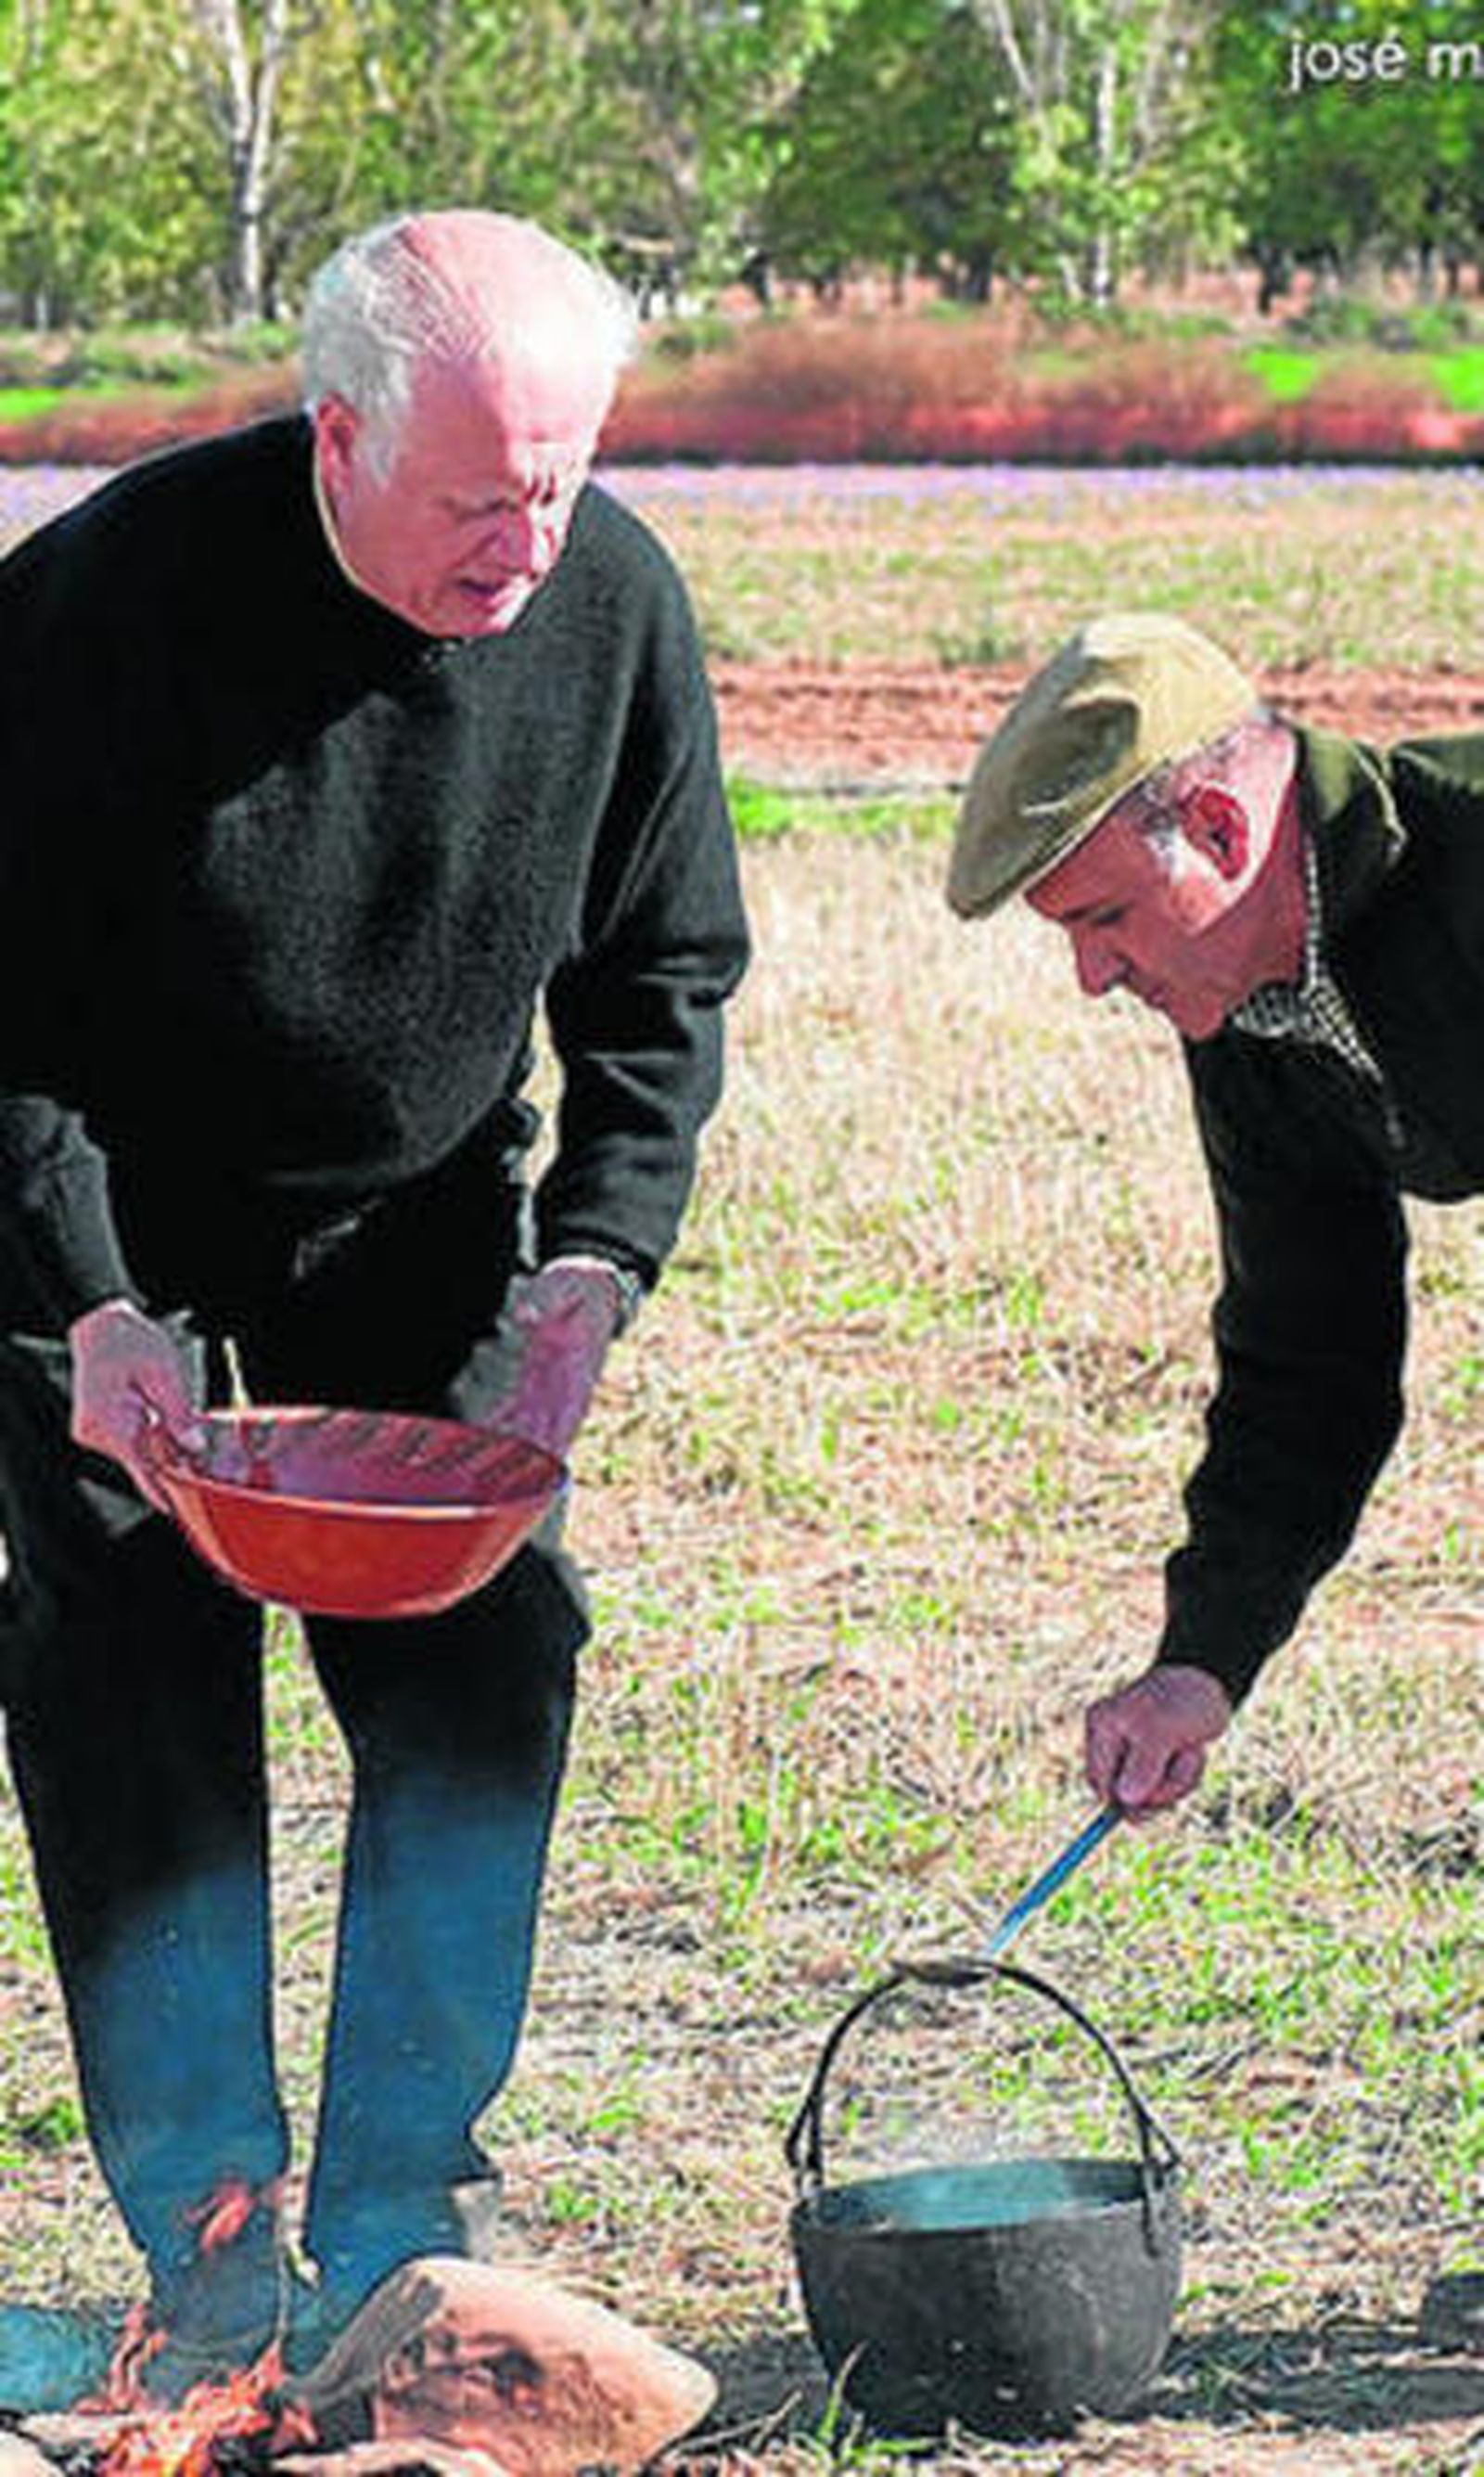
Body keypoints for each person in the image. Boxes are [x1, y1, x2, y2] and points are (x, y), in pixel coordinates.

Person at [0, 209, 748, 2407]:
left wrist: (596, 1256)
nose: (527, 539)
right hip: (96, 1208)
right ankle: (211, 2240)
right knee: (122, 1645)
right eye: (476, 495)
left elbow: (660, 979)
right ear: (338, 437)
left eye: (562, 477)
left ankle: (407, 2221)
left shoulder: (607, 603)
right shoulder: (95, 612)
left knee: (489, 1653)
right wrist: (92, 1308)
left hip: (412, 1214)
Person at [945, 610, 1480, 1813]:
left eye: (1104, 920)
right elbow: (1309, 1353)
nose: (1094, 978)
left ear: (1222, 827)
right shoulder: (1252, 1007)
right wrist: (1204, 1658)